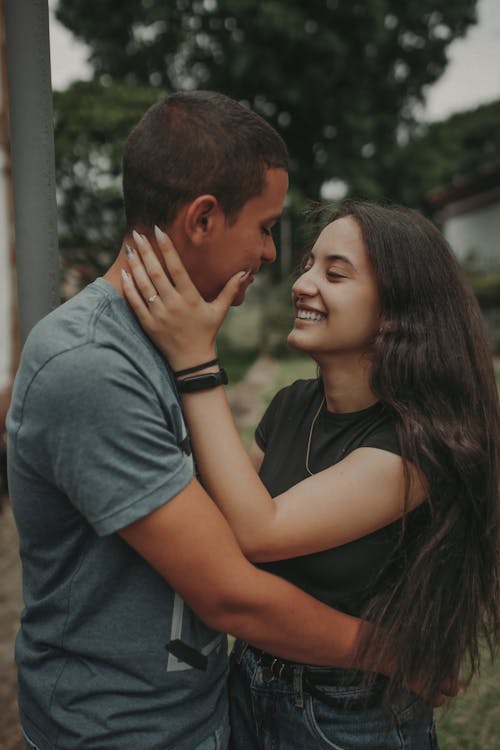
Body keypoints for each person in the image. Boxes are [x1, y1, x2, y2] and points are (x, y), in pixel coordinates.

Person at [6, 91, 396, 750]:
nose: (272, 255)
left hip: (197, 711)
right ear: (204, 219)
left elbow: (240, 499)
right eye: (267, 227)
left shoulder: (169, 342)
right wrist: (390, 652)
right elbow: (230, 595)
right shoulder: (89, 365)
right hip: (118, 732)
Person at [121, 199, 500, 749]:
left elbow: (260, 531)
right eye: (308, 265)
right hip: (248, 683)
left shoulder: (417, 445)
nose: (303, 284)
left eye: (335, 273)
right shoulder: (294, 403)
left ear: (396, 309)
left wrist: (197, 362)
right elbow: (222, 513)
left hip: (349, 717)